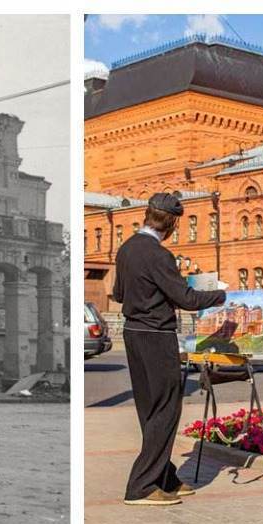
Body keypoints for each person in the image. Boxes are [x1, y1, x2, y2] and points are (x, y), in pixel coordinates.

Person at [112, 192, 226, 506]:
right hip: (156, 336)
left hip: (133, 334)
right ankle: (142, 486)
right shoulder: (158, 255)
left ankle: (165, 477)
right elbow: (187, 301)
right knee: (166, 409)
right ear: (172, 223)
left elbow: (119, 293)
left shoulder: (126, 249)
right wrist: (219, 296)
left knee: (150, 409)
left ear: (147, 216)